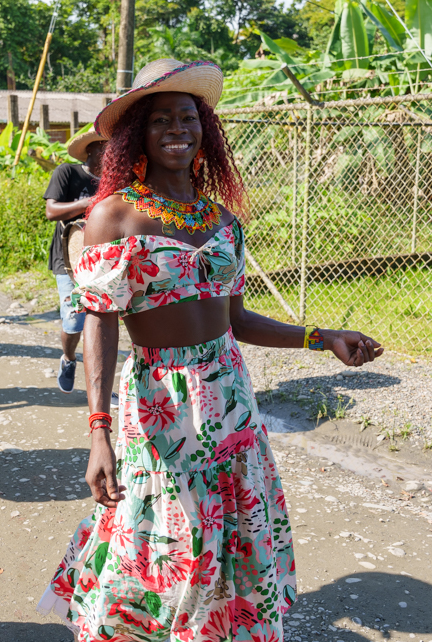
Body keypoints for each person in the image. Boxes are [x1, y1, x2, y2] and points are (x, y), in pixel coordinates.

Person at [38, 59, 384, 640]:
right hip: (159, 398)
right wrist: (98, 432)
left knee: (232, 519)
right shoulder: (112, 215)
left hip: (228, 390)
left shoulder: (222, 219)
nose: (179, 128)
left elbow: (236, 319)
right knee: (170, 529)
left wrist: (320, 338)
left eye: (189, 117)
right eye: (162, 120)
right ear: (137, 136)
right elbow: (100, 323)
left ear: (206, 132)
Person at [44, 128, 105, 393]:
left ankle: (101, 386)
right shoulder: (68, 172)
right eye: (104, 147)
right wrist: (93, 202)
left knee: (102, 320)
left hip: (104, 260)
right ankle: (68, 358)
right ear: (89, 149)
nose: (110, 152)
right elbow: (51, 211)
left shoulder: (117, 180)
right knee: (73, 321)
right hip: (69, 258)